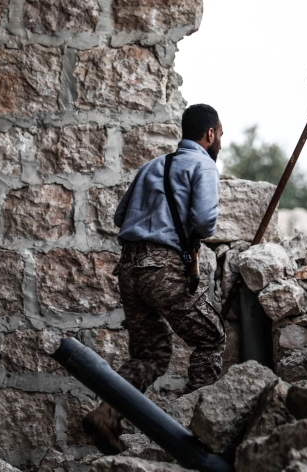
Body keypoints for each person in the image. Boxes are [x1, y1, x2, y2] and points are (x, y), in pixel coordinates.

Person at [83, 104, 225, 453]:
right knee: (210, 338)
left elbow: (120, 217)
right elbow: (205, 222)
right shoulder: (203, 165)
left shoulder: (152, 166)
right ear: (210, 134)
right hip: (162, 268)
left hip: (129, 268)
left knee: (151, 354)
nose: (221, 140)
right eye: (221, 134)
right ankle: (198, 431)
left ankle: (106, 416)